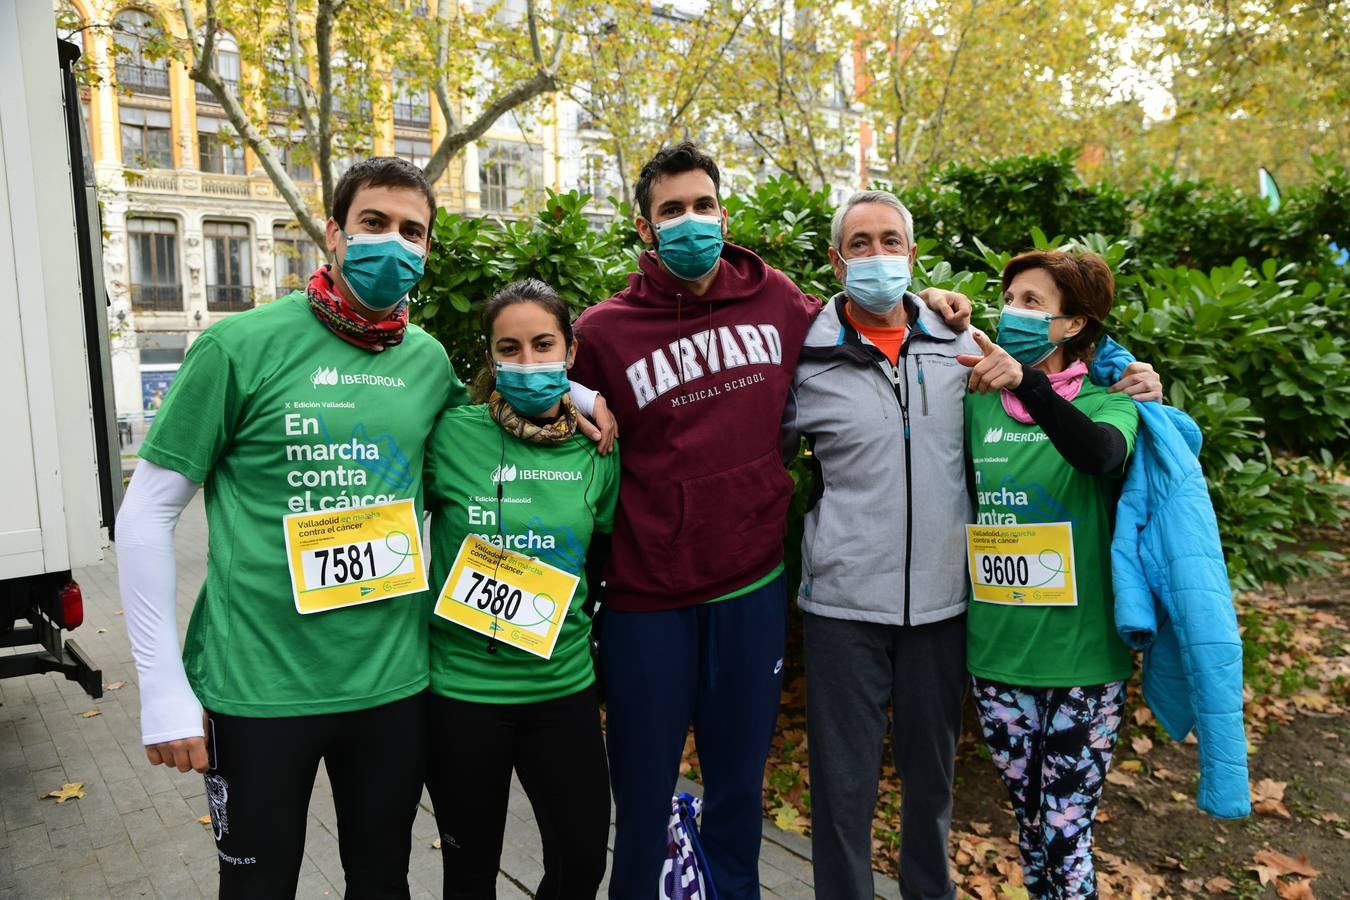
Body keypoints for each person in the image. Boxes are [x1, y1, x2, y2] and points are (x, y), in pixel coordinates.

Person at [114, 157, 612, 897]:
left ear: (428, 251)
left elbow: (495, 415)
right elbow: (147, 513)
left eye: (412, 231)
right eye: (374, 223)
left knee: (382, 885)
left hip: (392, 689)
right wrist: (161, 689)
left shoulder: (425, 360)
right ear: (333, 234)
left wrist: (577, 386)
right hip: (259, 690)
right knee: (258, 888)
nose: (394, 243)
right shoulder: (238, 346)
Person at [567, 144, 971, 899]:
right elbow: (558, 420)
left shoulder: (778, 299)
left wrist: (937, 300)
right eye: (671, 210)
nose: (691, 222)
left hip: (750, 585)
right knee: (645, 796)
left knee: (736, 797)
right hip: (646, 596)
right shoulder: (604, 331)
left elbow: (869, 314)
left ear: (724, 211)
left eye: (703, 205)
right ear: (643, 226)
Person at [781, 194, 1162, 900]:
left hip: (945, 606)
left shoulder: (966, 345)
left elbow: (1062, 354)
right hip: (841, 607)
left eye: (890, 239)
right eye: (859, 244)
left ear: (913, 253)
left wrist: (1130, 369)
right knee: (841, 793)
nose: (876, 255)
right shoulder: (804, 359)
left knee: (932, 790)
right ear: (836, 262)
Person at [422, 279, 618, 900]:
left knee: (583, 863)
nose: (528, 362)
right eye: (510, 349)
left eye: (543, 345)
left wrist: (586, 398)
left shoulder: (600, 450)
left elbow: (605, 550)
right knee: (471, 875)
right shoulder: (450, 433)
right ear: (489, 359)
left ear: (570, 352)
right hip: (462, 695)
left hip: (562, 690)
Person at [958, 250, 1141, 898]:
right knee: (1033, 828)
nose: (1013, 311)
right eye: (1007, 297)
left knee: (1067, 834)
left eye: (1032, 302)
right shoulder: (975, 399)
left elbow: (1096, 454)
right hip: (997, 657)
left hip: (1082, 665)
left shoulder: (1110, 402)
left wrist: (1029, 384)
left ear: (1073, 325)